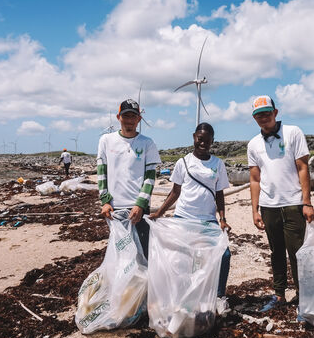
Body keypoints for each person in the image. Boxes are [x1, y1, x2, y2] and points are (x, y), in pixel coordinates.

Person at [247, 95, 314, 312]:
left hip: (294, 203)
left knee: (298, 252)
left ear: (275, 113)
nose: (263, 118)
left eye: (267, 113)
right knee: (276, 251)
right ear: (254, 118)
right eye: (258, 115)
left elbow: (303, 167)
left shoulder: (293, 132)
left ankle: (304, 297)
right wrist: (254, 210)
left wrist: (307, 202)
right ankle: (279, 295)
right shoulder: (253, 144)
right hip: (269, 206)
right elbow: (255, 179)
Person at [149, 122, 232, 297]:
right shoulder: (183, 162)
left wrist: (222, 219)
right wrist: (159, 212)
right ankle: (181, 294)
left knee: (223, 255)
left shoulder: (218, 164)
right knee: (180, 259)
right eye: (200, 139)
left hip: (208, 220)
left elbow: (219, 194)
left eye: (207, 141)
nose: (203, 144)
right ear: (194, 137)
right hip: (183, 218)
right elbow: (175, 192)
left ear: (212, 142)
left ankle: (218, 296)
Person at [97, 99, 161, 259]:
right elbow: (101, 173)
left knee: (143, 255)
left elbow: (150, 177)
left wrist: (140, 205)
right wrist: (104, 201)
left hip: (138, 210)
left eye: (133, 117)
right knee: (121, 256)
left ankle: (143, 285)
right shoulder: (106, 140)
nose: (129, 121)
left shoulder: (148, 143)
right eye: (126, 116)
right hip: (114, 210)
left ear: (139, 119)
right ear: (118, 117)